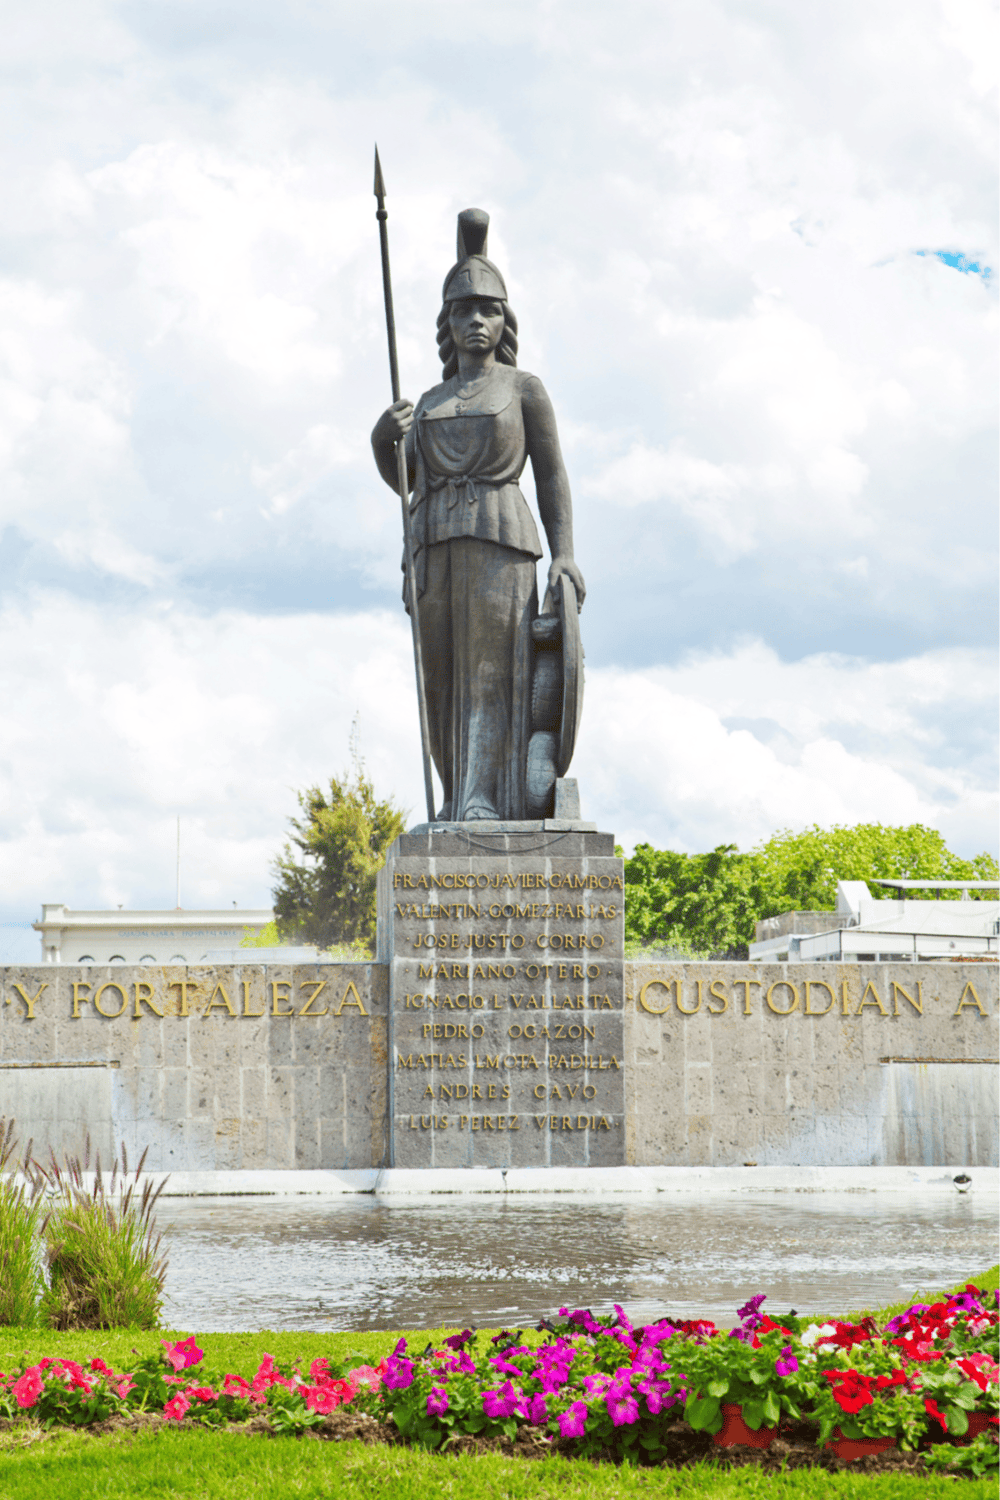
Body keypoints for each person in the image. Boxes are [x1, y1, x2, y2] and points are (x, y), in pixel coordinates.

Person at [371, 208, 585, 822]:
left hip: (500, 539)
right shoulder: (431, 401)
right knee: (440, 684)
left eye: (488, 311)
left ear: (504, 320)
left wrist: (565, 554)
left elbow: (552, 475)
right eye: (464, 312)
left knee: (489, 676)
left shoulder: (524, 389)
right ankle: (452, 797)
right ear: (448, 324)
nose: (476, 322)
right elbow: (407, 485)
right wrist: (381, 442)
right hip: (433, 544)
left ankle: (482, 799)